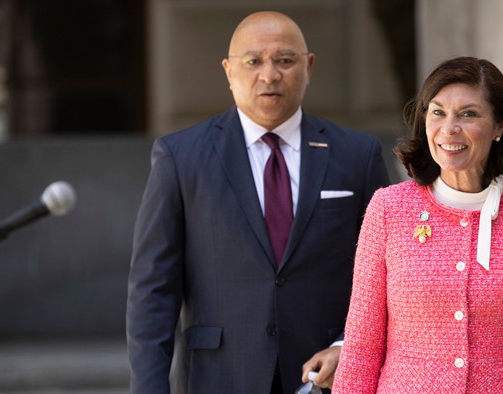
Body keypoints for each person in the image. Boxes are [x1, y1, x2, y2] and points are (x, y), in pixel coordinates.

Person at [126, 10, 390, 394]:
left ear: (309, 66)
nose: (269, 75)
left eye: (285, 60)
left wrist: (347, 347)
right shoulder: (180, 157)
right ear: (229, 71)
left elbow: (387, 274)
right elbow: (153, 290)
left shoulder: (356, 154)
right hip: (219, 375)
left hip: (327, 378)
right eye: (253, 62)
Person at [332, 56, 503, 393]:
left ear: (499, 125)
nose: (449, 129)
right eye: (438, 112)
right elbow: (362, 343)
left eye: (468, 114)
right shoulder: (389, 210)